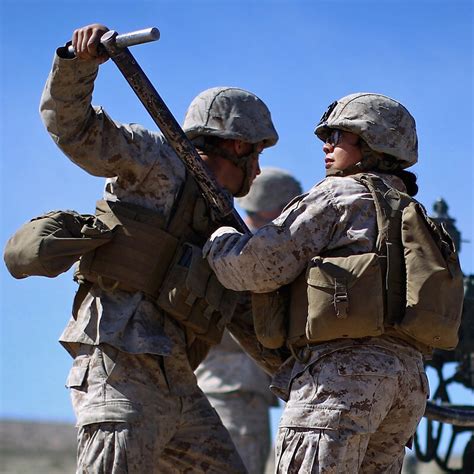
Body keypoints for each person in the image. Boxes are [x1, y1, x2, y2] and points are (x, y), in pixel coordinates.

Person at [39, 23, 280, 473]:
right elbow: (73, 130)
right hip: (120, 367)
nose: (259, 170)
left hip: (178, 384)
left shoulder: (224, 224)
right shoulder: (155, 159)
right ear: (237, 144)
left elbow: (250, 321)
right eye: (258, 154)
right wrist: (78, 65)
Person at [204, 93, 430, 472]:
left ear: (371, 142)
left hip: (340, 381)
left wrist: (218, 239)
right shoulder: (413, 210)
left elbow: (258, 268)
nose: (327, 145)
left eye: (339, 135)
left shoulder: (338, 195)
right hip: (406, 387)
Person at [195, 167, 302, 473]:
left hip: (218, 388)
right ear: (278, 209)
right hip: (236, 394)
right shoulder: (253, 256)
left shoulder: (225, 245)